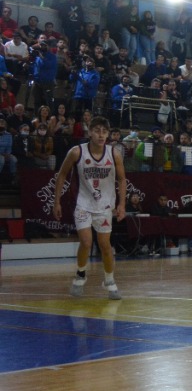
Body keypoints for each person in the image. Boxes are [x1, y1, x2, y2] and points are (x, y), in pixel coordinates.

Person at [52, 116, 126, 299]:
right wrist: (56, 201)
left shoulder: (114, 153)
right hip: (84, 203)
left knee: (105, 245)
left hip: (105, 205)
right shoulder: (76, 152)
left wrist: (122, 204)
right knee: (86, 242)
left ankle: (109, 280)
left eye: (104, 132)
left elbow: (122, 179)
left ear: (108, 134)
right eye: (97, 131)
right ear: (89, 132)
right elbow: (61, 175)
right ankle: (80, 274)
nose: (101, 135)